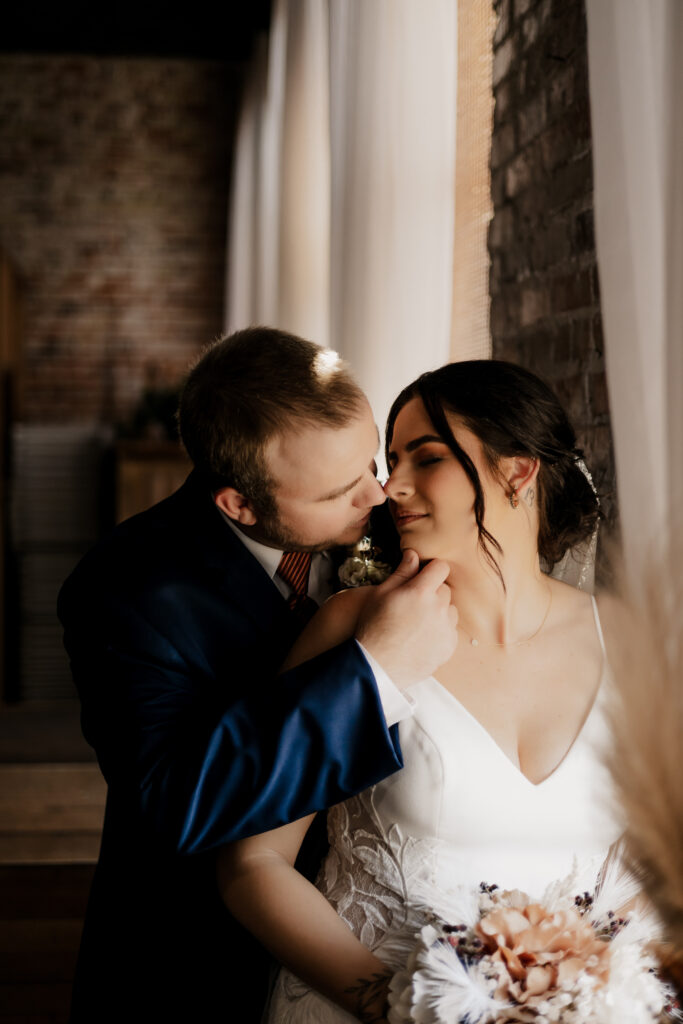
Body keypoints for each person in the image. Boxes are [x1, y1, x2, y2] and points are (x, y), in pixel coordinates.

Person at [57, 328, 458, 1023]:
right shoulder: (123, 590)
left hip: (384, 926)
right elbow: (176, 804)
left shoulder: (388, 510)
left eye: (370, 460)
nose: (379, 493)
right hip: (201, 965)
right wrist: (374, 673)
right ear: (238, 504)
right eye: (340, 489)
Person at [217, 359, 624, 1023]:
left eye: (424, 457)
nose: (389, 487)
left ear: (515, 472)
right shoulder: (350, 625)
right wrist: (393, 1002)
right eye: (390, 459)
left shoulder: (630, 641)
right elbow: (253, 862)